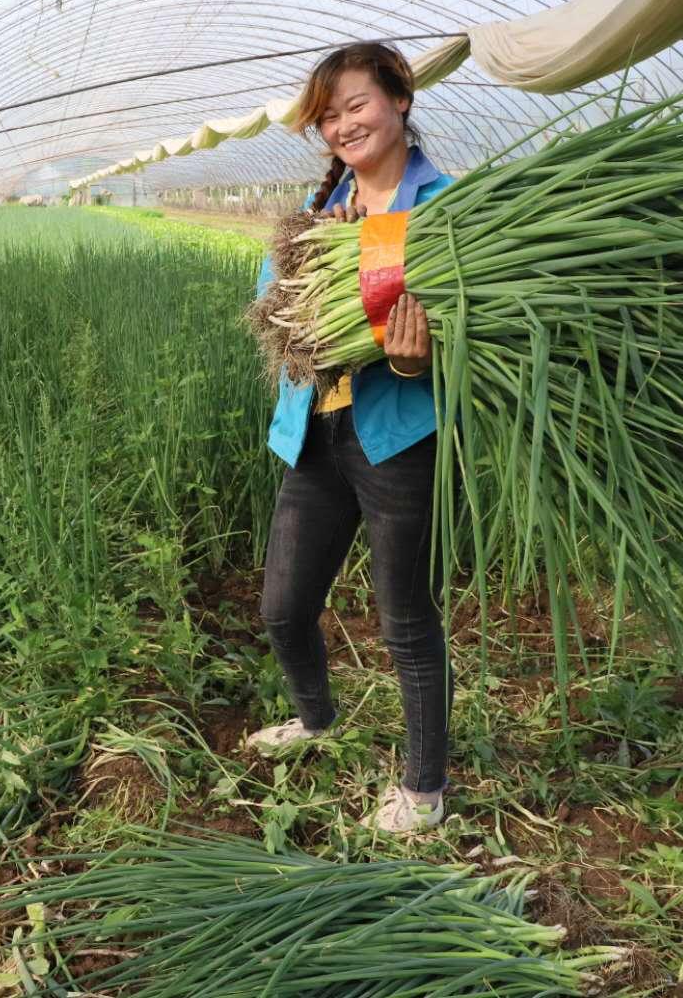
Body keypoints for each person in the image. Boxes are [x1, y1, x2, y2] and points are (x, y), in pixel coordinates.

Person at [245, 42, 456, 834]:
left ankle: (426, 790)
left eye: (356, 104)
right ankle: (315, 718)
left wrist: (414, 362)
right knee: (282, 606)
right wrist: (314, 258)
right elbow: (274, 306)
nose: (342, 124)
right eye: (329, 115)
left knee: (404, 616)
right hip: (316, 432)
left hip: (398, 435)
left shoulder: (444, 209)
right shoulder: (321, 212)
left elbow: (476, 342)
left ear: (400, 100)